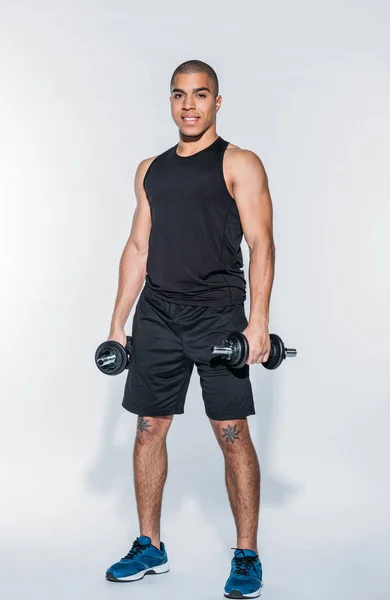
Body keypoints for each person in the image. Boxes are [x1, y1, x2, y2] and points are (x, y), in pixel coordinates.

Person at [104, 59, 275, 599]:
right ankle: (150, 546)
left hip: (218, 312)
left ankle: (246, 553)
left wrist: (258, 324)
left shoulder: (239, 163)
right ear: (170, 101)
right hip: (157, 314)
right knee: (149, 428)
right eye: (179, 95)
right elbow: (138, 246)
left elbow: (262, 244)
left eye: (201, 95)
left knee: (231, 433)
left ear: (217, 102)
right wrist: (117, 324)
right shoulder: (150, 168)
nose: (190, 105)